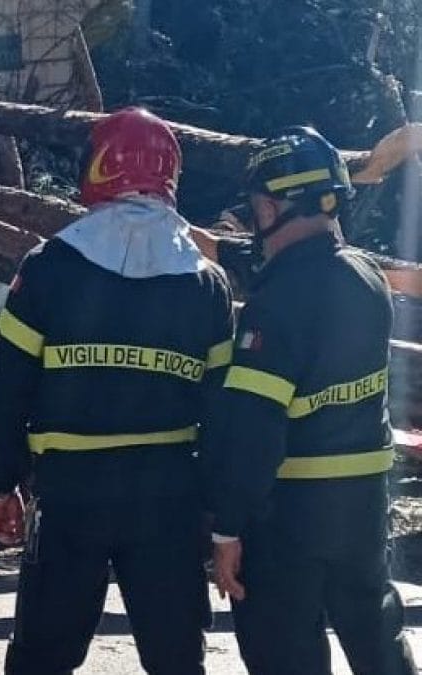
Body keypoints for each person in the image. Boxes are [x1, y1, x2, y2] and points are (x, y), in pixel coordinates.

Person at [0, 107, 234, 675]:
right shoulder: (206, 283)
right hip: (168, 497)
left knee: (42, 659)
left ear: (97, 168)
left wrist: (1, 482)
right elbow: (224, 414)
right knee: (175, 661)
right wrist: (222, 518)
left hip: (71, 495)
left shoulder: (48, 266)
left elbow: (6, 386)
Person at [205, 126, 417, 674]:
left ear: (273, 208)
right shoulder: (366, 281)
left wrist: (227, 528)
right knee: (376, 637)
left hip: (288, 513)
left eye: (256, 210)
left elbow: (253, 428)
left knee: (284, 651)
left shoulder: (275, 306)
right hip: (364, 505)